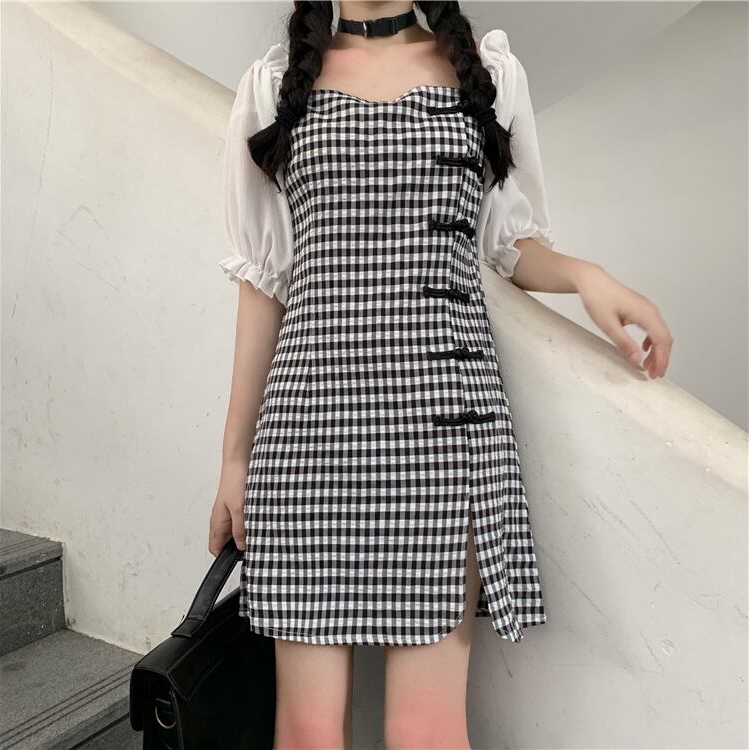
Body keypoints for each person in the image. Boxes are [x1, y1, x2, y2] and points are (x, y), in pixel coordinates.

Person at [209, 2, 673, 747]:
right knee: (305, 732)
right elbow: (263, 286)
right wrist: (234, 460)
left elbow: (510, 243)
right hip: (307, 437)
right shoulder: (273, 89)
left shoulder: (485, 75)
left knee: (424, 731)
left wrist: (587, 276)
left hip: (442, 431)